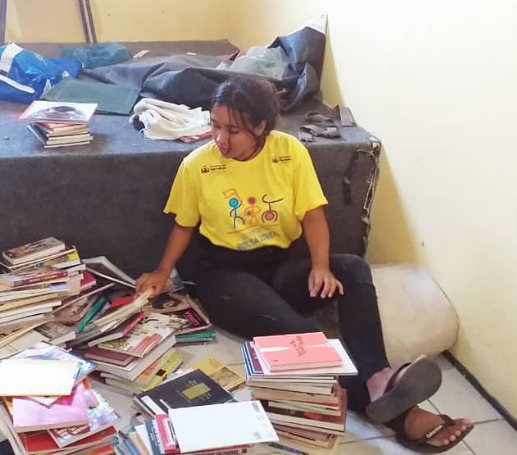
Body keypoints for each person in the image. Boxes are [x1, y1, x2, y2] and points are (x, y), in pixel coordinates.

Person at [136, 77, 473, 452]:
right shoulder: (198, 165)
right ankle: (400, 414)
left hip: (278, 263)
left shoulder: (289, 152)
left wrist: (321, 266)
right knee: (304, 337)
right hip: (224, 274)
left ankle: (378, 374)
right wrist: (162, 271)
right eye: (215, 126)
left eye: (233, 130)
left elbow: (313, 215)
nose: (220, 139)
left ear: (261, 127)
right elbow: (184, 225)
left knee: (353, 269)